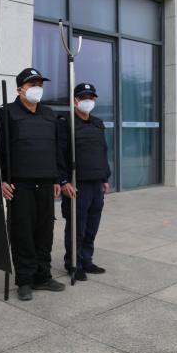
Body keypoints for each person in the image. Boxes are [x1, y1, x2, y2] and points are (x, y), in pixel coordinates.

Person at [0, 68, 66, 301]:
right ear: (19, 89)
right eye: (31, 84)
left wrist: (57, 177)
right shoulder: (7, 113)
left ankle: (42, 276)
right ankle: (25, 280)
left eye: (39, 83)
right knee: (22, 234)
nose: (37, 87)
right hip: (20, 185)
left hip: (46, 183)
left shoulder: (49, 114)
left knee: (44, 233)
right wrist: (2, 180)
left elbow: (56, 148)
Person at [58, 83, 110, 281]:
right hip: (77, 185)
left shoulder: (97, 123)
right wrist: (63, 181)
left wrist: (105, 177)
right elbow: (60, 155)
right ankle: (73, 263)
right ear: (75, 100)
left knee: (92, 226)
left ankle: (86, 260)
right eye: (83, 97)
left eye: (91, 97)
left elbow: (103, 151)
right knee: (76, 227)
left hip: (97, 184)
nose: (88, 101)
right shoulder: (66, 123)